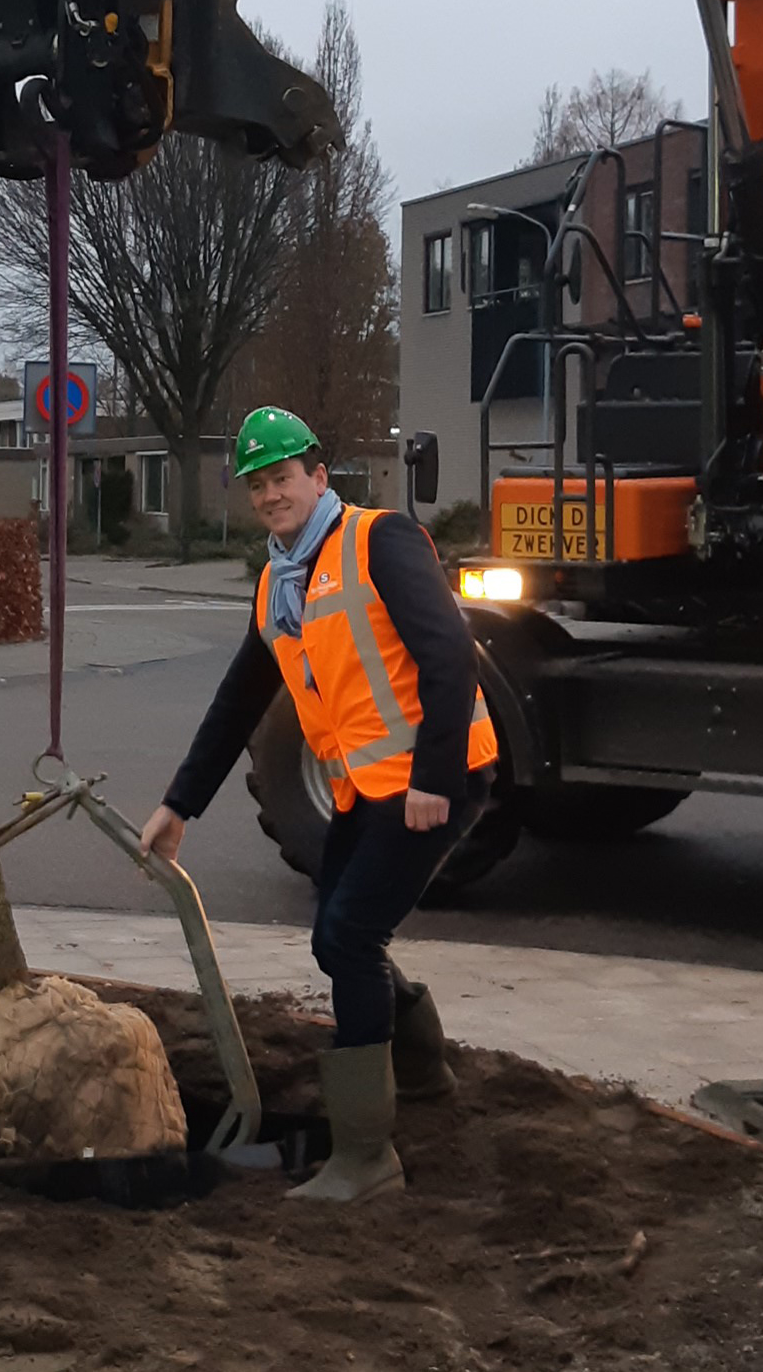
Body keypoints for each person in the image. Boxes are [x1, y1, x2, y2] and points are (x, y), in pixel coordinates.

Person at [139, 407, 498, 1203]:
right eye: (259, 484)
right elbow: (239, 701)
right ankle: (421, 1068)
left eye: (284, 478)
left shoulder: (379, 541)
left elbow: (448, 650)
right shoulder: (277, 582)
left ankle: (368, 1157)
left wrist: (434, 778)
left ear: (319, 477)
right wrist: (178, 804)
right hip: (368, 790)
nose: (273, 495)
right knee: (337, 938)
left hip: (432, 781)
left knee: (348, 935)